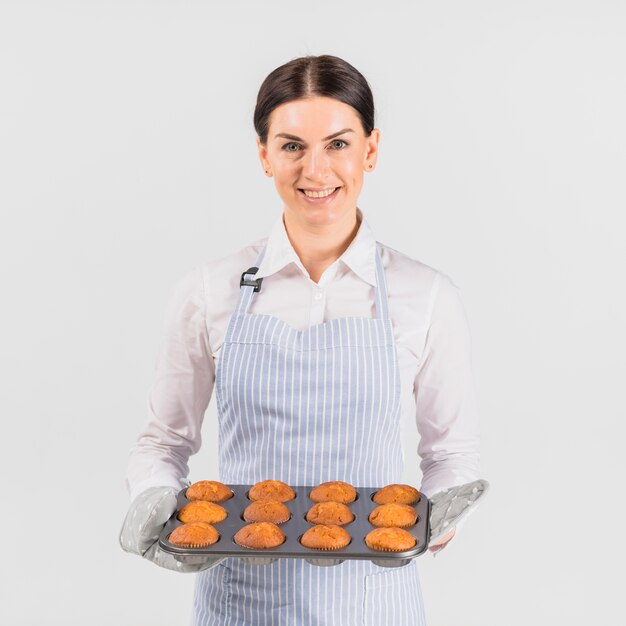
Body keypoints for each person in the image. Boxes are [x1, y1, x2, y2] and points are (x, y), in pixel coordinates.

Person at [119, 54, 483, 625]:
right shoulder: (209, 290)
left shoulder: (427, 295)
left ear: (371, 149)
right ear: (264, 154)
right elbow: (163, 443)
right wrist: (153, 498)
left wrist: (441, 517)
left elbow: (449, 454)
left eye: (338, 143)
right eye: (291, 146)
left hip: (374, 602)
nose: (316, 170)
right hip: (240, 597)